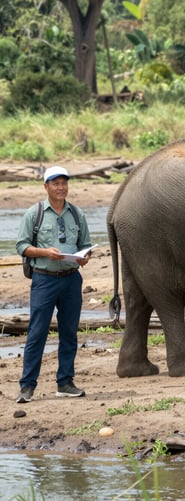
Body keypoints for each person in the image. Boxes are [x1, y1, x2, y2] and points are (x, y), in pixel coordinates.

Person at [15, 166, 92, 403]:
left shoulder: (77, 214)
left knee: (69, 333)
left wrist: (84, 257)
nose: (61, 188)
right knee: (36, 333)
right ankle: (27, 387)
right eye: (55, 183)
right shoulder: (34, 213)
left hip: (71, 279)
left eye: (64, 183)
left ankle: (65, 383)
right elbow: (21, 246)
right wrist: (45, 252)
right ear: (46, 186)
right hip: (44, 280)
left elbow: (86, 245)